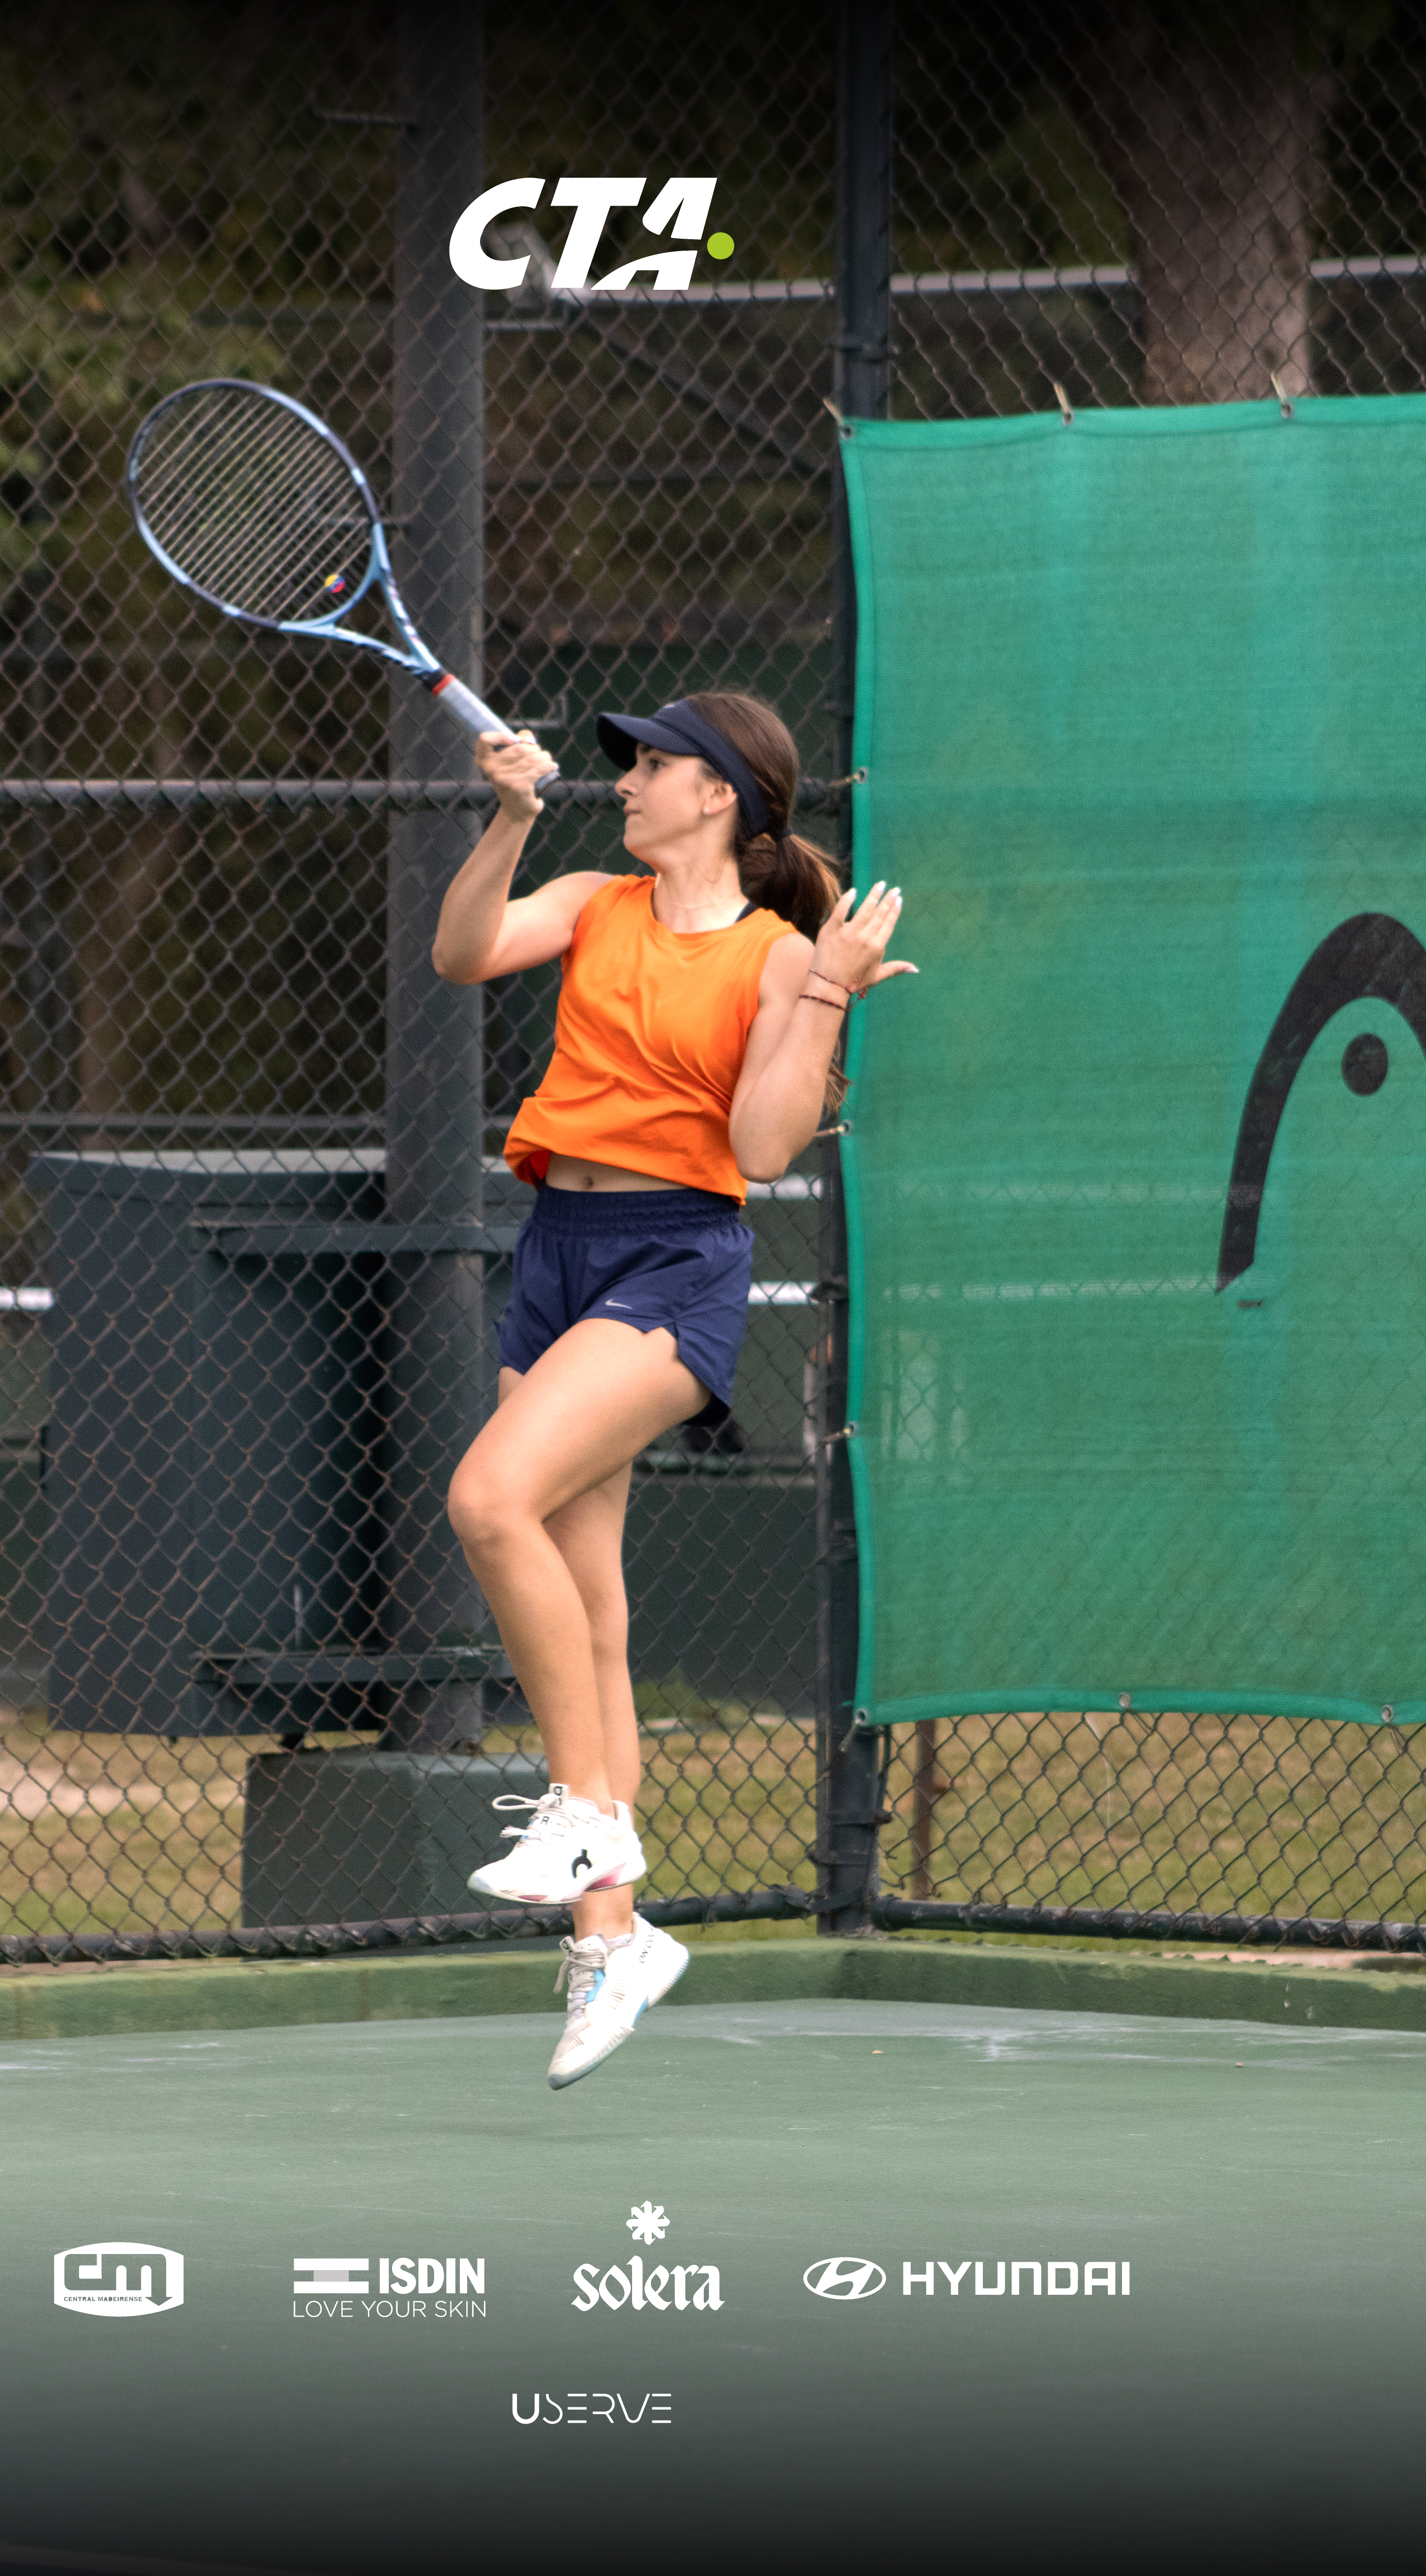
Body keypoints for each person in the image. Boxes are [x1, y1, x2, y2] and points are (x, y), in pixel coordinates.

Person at [434, 692, 915, 2088]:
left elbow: (765, 1146)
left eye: (655, 767)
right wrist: (510, 818)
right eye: (630, 766)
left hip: (674, 1262)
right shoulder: (592, 898)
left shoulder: (775, 958)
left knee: (486, 1497)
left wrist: (824, 991)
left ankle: (587, 1816)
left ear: (722, 797)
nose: (631, 785)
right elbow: (463, 949)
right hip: (558, 1250)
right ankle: (614, 1937)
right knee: (590, 1601)